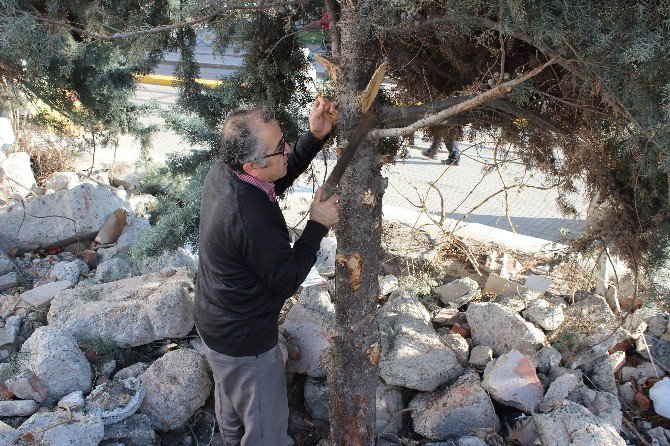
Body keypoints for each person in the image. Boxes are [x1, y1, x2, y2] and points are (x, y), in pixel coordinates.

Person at [195, 97, 339, 446]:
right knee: (265, 434)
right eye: (281, 147)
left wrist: (315, 137)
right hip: (246, 343)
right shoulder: (251, 220)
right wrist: (317, 225)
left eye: (285, 139)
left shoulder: (228, 171)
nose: (288, 148)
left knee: (233, 413)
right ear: (253, 165)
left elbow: (278, 175)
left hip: (216, 324)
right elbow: (287, 279)